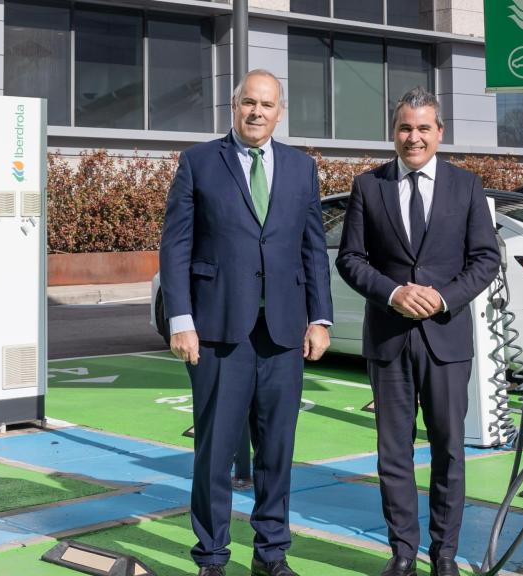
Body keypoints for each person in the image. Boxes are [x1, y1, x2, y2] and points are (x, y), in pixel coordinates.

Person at [159, 69, 333, 576]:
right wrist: (181, 320)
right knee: (214, 453)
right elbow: (176, 246)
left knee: (277, 450)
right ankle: (212, 557)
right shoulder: (198, 163)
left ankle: (271, 555)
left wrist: (319, 318)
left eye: (267, 105)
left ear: (279, 113)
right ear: (233, 107)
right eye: (248, 103)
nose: (257, 112)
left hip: (283, 333)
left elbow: (313, 249)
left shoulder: (302, 168)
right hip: (216, 332)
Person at [336, 87, 500, 576]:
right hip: (389, 340)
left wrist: (444, 297)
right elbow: (350, 258)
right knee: (394, 453)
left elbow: (486, 258)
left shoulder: (466, 186)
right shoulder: (369, 186)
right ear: (394, 132)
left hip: (446, 339)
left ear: (440, 133)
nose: (414, 137)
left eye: (423, 128)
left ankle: (443, 555)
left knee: (449, 450)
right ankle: (403, 552)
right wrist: (393, 293)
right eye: (405, 128)